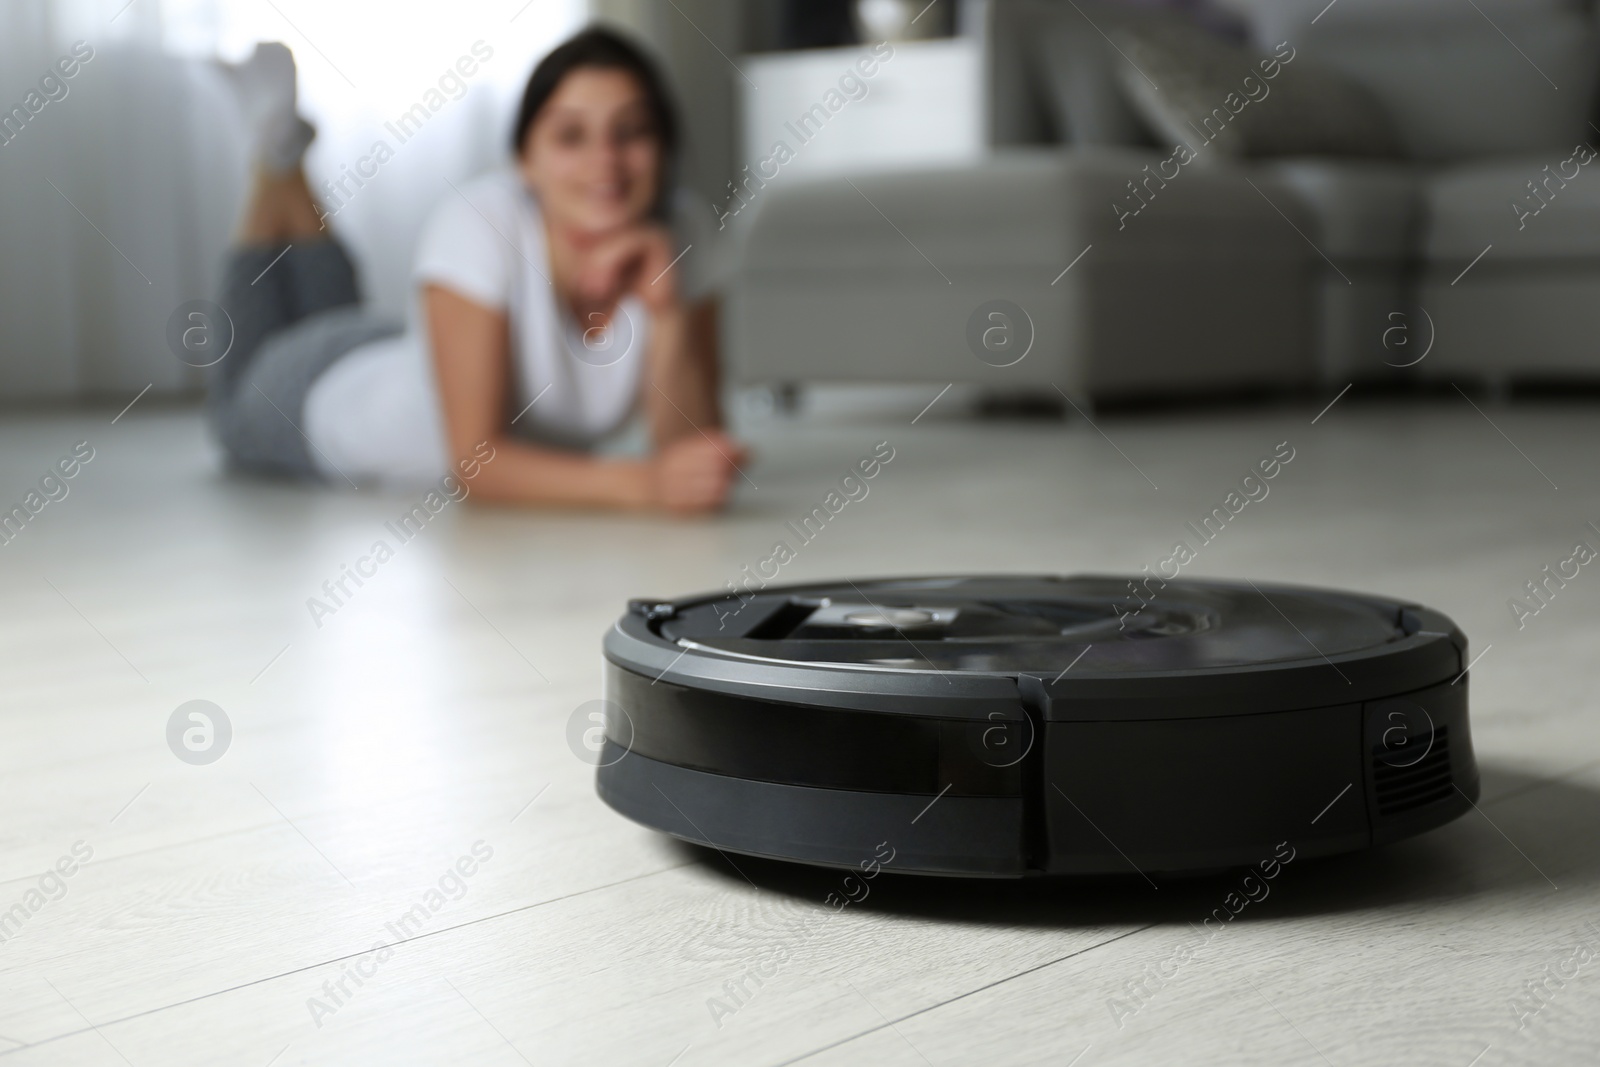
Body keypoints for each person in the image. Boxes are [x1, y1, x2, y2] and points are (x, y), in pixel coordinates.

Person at [209, 29, 746, 513]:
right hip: (315, 398)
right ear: (524, 159)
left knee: (327, 301)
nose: (605, 159)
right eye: (571, 136)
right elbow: (477, 465)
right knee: (231, 409)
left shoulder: (683, 232)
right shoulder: (480, 217)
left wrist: (667, 309)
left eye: (630, 131)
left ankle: (281, 147)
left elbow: (693, 454)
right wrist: (641, 485)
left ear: (664, 149)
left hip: (393, 345)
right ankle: (271, 155)